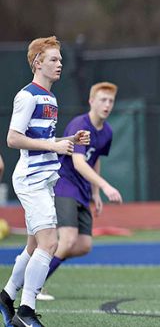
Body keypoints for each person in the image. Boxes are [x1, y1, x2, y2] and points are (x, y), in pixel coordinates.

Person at [0, 36, 90, 327]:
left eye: (61, 60)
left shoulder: (49, 97)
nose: (59, 64)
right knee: (49, 243)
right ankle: (25, 312)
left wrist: (69, 140)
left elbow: (42, 139)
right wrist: (54, 147)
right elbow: (13, 139)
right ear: (38, 63)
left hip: (44, 178)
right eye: (53, 59)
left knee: (32, 246)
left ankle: (5, 296)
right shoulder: (27, 95)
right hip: (32, 180)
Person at [36, 82, 123, 302]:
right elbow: (78, 163)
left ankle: (38, 261)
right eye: (102, 100)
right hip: (64, 184)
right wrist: (105, 186)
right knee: (66, 240)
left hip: (83, 190)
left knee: (83, 245)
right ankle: (33, 286)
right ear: (91, 101)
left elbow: (94, 162)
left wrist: (95, 193)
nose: (107, 104)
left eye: (111, 100)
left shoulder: (108, 132)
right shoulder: (80, 124)